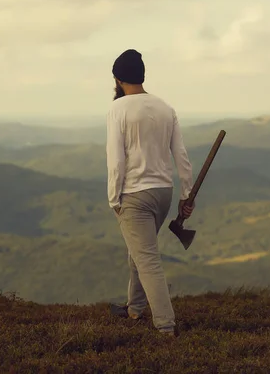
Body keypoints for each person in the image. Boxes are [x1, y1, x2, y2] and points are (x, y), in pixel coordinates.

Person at [106, 49, 195, 337]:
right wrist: (186, 195)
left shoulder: (117, 109)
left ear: (118, 80)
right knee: (140, 253)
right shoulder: (165, 108)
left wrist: (113, 198)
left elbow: (116, 160)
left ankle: (165, 327)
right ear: (142, 77)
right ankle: (134, 308)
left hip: (135, 194)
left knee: (147, 260)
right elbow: (181, 155)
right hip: (163, 194)